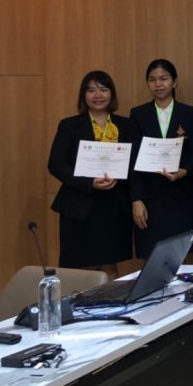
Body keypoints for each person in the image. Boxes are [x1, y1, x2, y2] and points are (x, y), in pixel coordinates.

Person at [48, 70, 136, 277]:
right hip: (79, 207)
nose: (98, 95)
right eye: (91, 90)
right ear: (83, 95)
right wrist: (89, 182)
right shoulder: (69, 125)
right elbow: (56, 165)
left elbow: (133, 165)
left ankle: (111, 300)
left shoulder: (126, 125)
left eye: (103, 89)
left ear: (111, 94)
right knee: (81, 271)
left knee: (110, 268)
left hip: (114, 207)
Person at [129, 59, 193, 259]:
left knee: (180, 258)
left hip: (181, 195)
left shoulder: (189, 113)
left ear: (174, 82)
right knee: (151, 258)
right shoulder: (138, 114)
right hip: (149, 198)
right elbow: (133, 160)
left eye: (163, 79)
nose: (158, 84)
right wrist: (136, 199)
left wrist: (184, 171)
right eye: (152, 80)